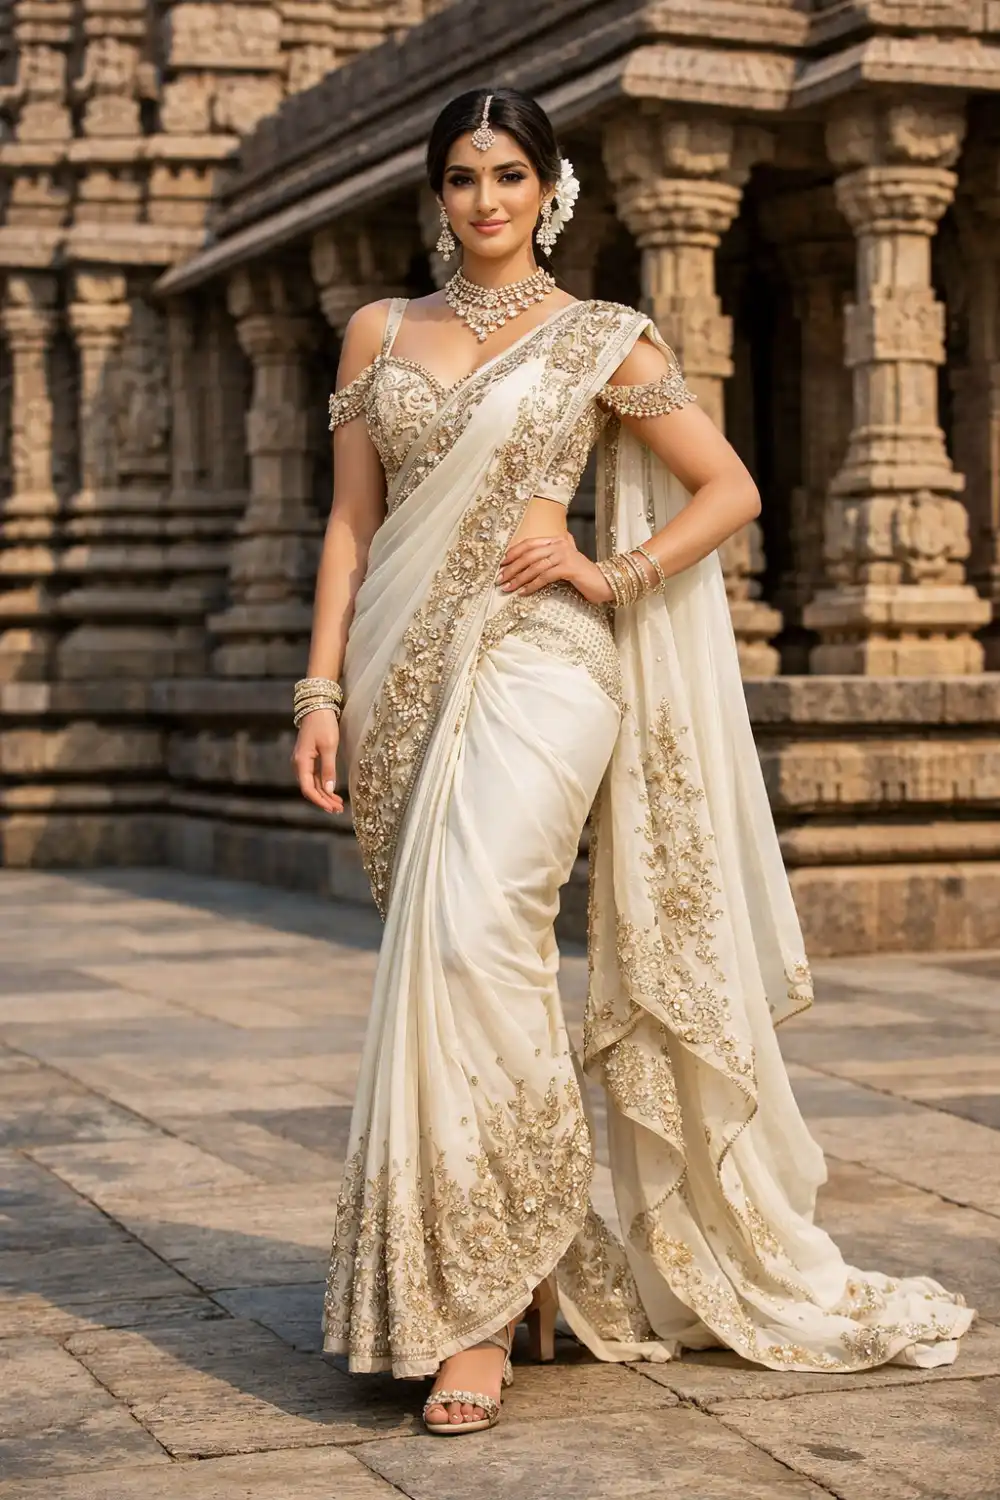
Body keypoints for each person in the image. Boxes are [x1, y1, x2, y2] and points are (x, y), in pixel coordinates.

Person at [293, 87, 972, 1436]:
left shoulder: (602, 335)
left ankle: (479, 1314)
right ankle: (516, 1268)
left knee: (479, 937)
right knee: (439, 960)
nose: (485, 200)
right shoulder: (379, 331)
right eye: (462, 178)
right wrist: (319, 691)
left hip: (545, 665)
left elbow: (730, 487)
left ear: (551, 188)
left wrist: (614, 570)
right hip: (398, 678)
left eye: (508, 174)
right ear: (438, 194)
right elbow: (352, 527)